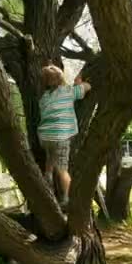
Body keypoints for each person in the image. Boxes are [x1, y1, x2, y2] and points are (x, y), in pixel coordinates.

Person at [38, 63, 91, 207]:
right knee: (62, 169)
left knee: (51, 155)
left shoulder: (44, 98)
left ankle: (48, 174)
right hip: (60, 137)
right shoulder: (68, 92)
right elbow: (85, 88)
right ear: (61, 79)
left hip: (44, 136)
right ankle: (68, 198)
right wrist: (81, 83)